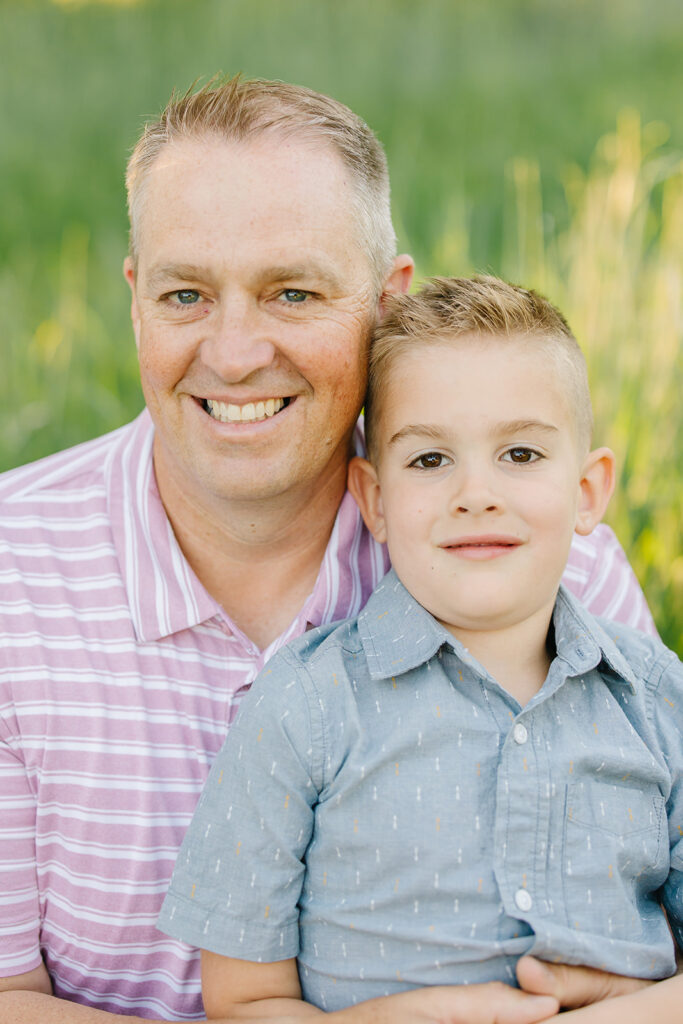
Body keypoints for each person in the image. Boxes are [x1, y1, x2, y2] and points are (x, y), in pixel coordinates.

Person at [0, 75, 657, 1023]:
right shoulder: (14, 575)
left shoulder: (534, 567)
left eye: (292, 292)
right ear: (136, 299)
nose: (232, 354)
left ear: (386, 306)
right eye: (187, 294)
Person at [158, 276, 683, 1022]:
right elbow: (242, 1000)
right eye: (430, 461)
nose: (476, 492)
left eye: (521, 454)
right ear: (373, 500)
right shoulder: (306, 705)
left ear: (588, 489)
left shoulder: (658, 699)